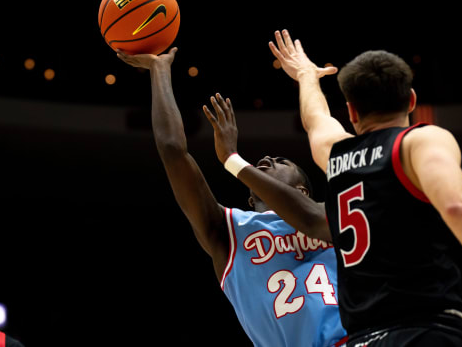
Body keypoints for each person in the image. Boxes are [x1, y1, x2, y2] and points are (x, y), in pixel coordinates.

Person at [240, 29, 462, 346]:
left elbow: (315, 118)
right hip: (424, 329)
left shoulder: (334, 155)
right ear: (411, 100)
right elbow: (457, 208)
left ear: (352, 112)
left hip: (362, 339)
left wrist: (306, 76)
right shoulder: (421, 142)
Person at [116, 47, 347, 347]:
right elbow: (173, 151)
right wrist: (159, 70)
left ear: (302, 191)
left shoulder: (330, 217)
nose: (267, 158)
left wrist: (234, 161)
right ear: (251, 200)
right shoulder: (228, 230)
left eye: (282, 162)